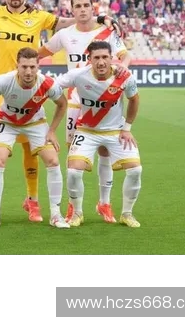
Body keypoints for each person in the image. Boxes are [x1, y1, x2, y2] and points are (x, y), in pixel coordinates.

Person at [0, 0, 121, 222]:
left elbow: (64, 22)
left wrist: (99, 18)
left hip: (30, 87)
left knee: (31, 146)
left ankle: (33, 201)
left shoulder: (39, 16)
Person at [38, 0, 131, 223]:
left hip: (104, 100)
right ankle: (74, 206)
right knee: (73, 153)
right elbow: (40, 54)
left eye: (86, 5)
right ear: (72, 10)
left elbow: (125, 56)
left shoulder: (107, 32)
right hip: (75, 101)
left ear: (92, 8)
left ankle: (104, 203)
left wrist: (123, 67)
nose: (82, 9)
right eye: (77, 6)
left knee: (105, 151)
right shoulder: (64, 34)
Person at [0, 47, 69, 229]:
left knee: (52, 161)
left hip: (35, 122)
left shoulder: (47, 84)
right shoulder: (4, 81)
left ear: (38, 67)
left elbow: (62, 104)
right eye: (24, 67)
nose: (28, 72)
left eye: (32, 67)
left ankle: (55, 214)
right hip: (7, 122)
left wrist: (52, 130)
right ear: (17, 66)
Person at [54, 41, 143, 228]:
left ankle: (127, 213)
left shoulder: (124, 77)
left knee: (135, 170)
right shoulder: (79, 75)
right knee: (73, 172)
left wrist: (127, 128)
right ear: (90, 59)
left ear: (111, 58)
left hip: (116, 131)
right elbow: (52, 86)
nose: (101, 62)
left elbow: (134, 100)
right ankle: (77, 213)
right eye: (96, 58)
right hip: (87, 131)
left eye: (105, 57)